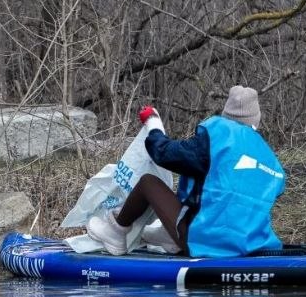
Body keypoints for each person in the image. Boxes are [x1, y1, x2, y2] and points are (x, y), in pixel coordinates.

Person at [86, 85, 285, 257]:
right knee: (208, 183)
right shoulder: (269, 158)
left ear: (226, 115)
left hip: (208, 241)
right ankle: (169, 236)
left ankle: (116, 232)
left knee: (148, 182)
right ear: (256, 121)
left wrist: (153, 125)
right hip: (252, 245)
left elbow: (163, 153)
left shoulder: (216, 139)